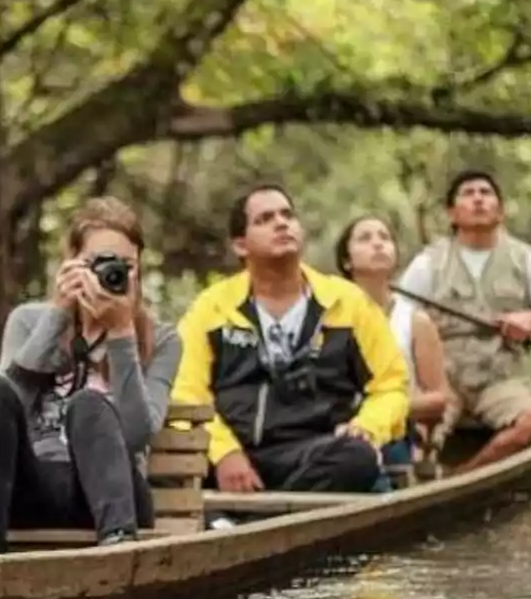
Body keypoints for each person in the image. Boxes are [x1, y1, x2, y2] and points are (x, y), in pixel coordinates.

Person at [0, 196, 182, 554]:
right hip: (35, 490)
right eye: (98, 263)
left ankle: (119, 554)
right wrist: (59, 315)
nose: (110, 274)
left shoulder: (162, 339)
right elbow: (2, 413)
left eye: (125, 265)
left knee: (88, 405)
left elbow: (137, 436)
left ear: (139, 269)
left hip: (114, 495)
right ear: (71, 264)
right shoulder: (29, 320)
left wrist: (122, 333)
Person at [171, 184, 409, 497]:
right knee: (163, 461)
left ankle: (244, 521)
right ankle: (249, 515)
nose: (281, 223)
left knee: (356, 457)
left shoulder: (347, 302)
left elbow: (392, 386)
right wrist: (225, 452)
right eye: (265, 219)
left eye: (287, 215)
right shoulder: (211, 307)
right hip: (234, 456)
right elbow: (185, 394)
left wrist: (367, 427)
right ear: (241, 245)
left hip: (316, 453)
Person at [397, 169, 531, 473]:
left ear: (500, 211)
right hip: (442, 378)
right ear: (452, 213)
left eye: (485, 193)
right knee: (402, 419)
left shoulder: (527, 259)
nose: (478, 199)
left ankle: (466, 476)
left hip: (501, 377)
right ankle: (420, 464)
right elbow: (396, 321)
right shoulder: (428, 263)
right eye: (468, 194)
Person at [336, 215, 451, 469]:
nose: (377, 244)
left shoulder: (415, 320)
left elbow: (439, 398)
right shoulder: (330, 315)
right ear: (347, 261)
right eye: (365, 239)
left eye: (384, 238)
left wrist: (382, 411)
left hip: (395, 430)